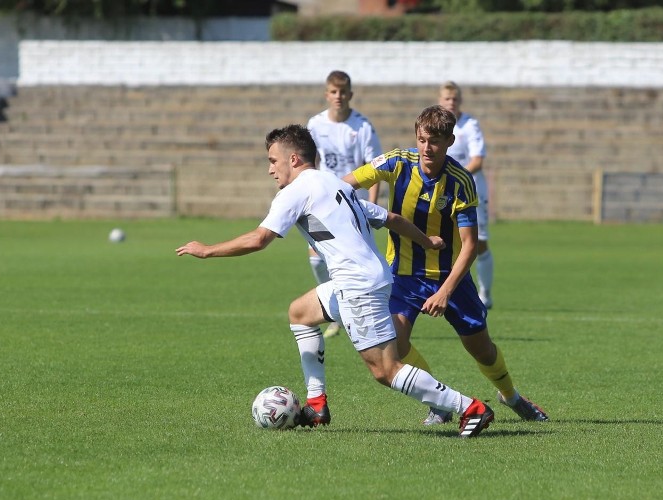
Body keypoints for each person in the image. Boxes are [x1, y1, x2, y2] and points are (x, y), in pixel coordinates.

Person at [175, 123, 494, 438]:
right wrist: (427, 241)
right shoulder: (336, 185)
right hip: (365, 277)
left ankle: (469, 407)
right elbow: (390, 218)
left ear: (294, 160)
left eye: (273, 161)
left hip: (358, 285)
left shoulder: (296, 191)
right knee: (300, 313)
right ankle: (316, 403)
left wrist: (207, 251)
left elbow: (259, 239)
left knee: (385, 370)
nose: (271, 170)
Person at [343, 106, 548, 426]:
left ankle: (511, 397)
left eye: (435, 141)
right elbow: (346, 185)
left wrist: (445, 292)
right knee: (394, 345)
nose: (427, 147)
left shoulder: (460, 182)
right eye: (423, 140)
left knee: (482, 350)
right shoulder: (397, 162)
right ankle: (438, 401)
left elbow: (469, 246)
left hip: (449, 277)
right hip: (403, 276)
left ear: (450, 141)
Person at [306, 70, 383, 339]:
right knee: (317, 261)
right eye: (333, 92)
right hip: (324, 206)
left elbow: (375, 169)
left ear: (350, 94)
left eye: (343, 92)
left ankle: (369, 312)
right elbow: (310, 164)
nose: (338, 97)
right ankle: (336, 310)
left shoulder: (362, 127)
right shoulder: (314, 125)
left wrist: (372, 208)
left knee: (359, 262)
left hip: (354, 207)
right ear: (327, 94)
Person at [438, 81, 494, 309]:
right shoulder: (435, 125)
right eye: (447, 99)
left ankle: (485, 293)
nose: (451, 102)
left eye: (455, 99)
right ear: (440, 100)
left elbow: (477, 160)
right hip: (442, 191)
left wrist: (454, 177)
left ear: (459, 101)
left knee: (478, 242)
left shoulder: (469, 125)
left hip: (471, 191)